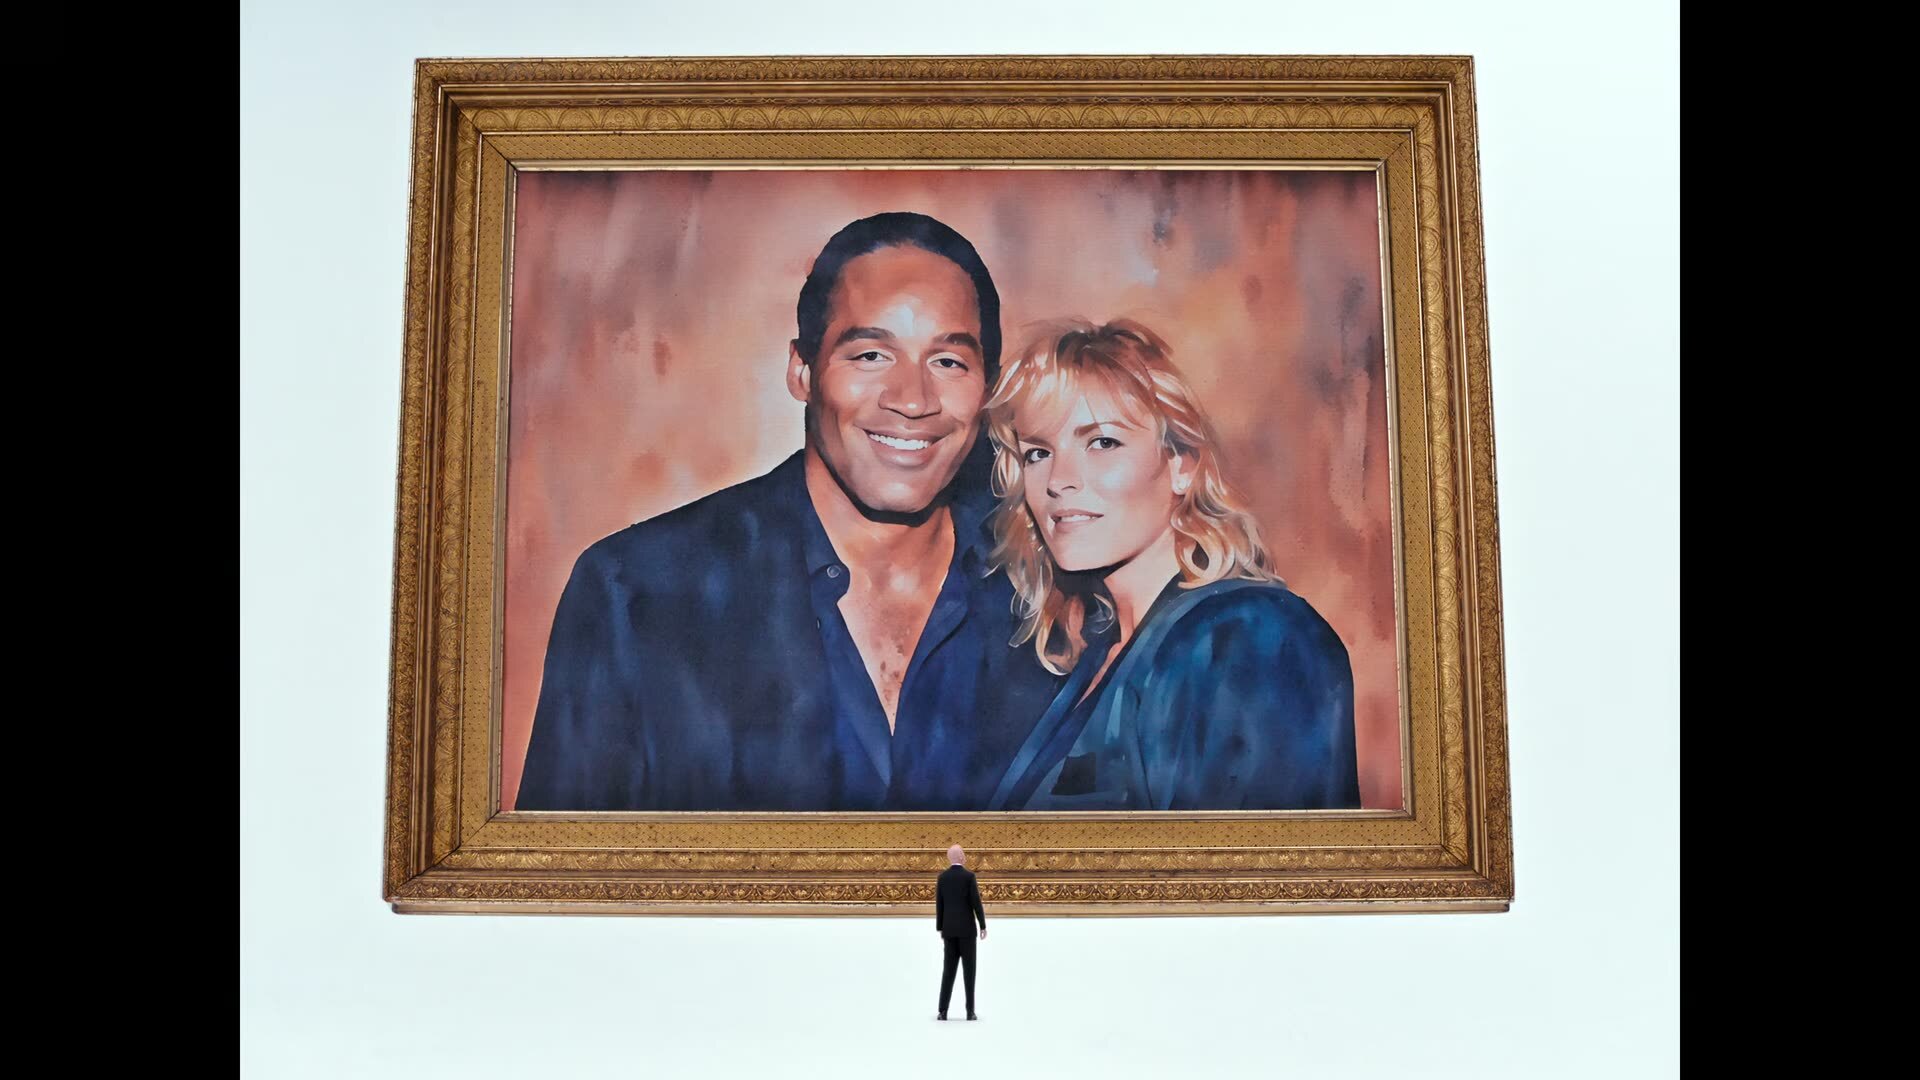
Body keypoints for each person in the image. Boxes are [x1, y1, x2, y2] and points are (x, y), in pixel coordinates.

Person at [516, 213, 1062, 811]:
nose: (912, 400)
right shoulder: (635, 594)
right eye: (870, 355)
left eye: (948, 362)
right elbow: (564, 865)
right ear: (802, 370)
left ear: (988, 388)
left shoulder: (1053, 589)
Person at [981, 318, 1364, 811]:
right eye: (1037, 453)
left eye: (1102, 442)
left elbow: (1254, 860)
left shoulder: (1248, 638)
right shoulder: (1099, 655)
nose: (1059, 480)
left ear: (1182, 465)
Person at [934, 844, 986, 1021]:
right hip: (967, 931)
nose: (964, 856)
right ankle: (970, 1012)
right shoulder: (969, 877)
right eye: (963, 853)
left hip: (949, 931)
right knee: (969, 972)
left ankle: (942, 1011)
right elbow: (976, 903)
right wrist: (982, 925)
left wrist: (941, 928)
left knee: (948, 971)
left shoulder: (942, 877)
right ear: (960, 857)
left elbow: (939, 905)